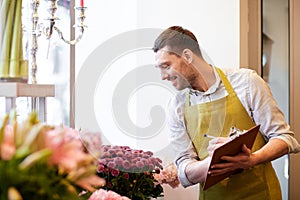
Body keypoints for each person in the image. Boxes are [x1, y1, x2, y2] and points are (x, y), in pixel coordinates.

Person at [152, 26, 300, 200]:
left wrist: (252, 159)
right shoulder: (176, 106)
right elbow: (185, 170)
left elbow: (285, 138)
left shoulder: (246, 82)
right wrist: (215, 162)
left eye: (166, 66)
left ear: (188, 56)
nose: (163, 76)